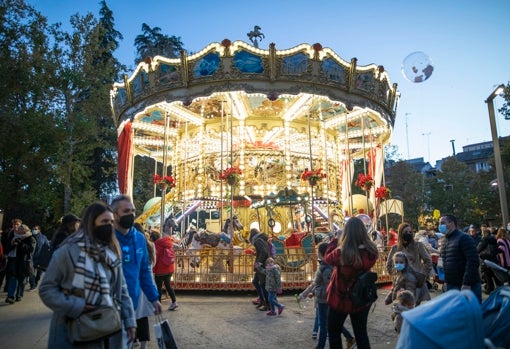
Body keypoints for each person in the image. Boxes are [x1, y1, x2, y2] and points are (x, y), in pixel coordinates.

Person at [38, 202, 137, 348]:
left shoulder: (111, 253)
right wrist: (76, 306)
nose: (109, 226)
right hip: (74, 331)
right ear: (91, 223)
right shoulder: (67, 251)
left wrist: (130, 321)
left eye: (111, 222)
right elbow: (46, 289)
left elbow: (122, 291)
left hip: (108, 328)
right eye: (104, 221)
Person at [111, 195, 162, 347]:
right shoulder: (107, 237)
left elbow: (144, 271)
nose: (131, 215)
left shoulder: (139, 238)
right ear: (115, 214)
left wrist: (154, 298)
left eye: (133, 211)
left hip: (131, 304)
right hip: (108, 307)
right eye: (126, 211)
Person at [324, 216, 379, 349]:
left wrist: (336, 239)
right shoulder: (370, 252)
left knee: (334, 332)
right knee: (361, 334)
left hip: (340, 297)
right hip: (361, 297)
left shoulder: (341, 253)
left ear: (346, 232)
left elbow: (327, 258)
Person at [299, 242, 355, 349]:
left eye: (318, 252)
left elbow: (323, 285)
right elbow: (319, 284)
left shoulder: (326, 268)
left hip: (324, 300)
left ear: (321, 253)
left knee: (324, 324)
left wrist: (306, 294)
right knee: (330, 322)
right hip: (324, 298)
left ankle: (321, 345)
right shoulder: (326, 266)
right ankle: (349, 337)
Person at [439, 214, 482, 303]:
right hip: (451, 285)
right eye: (439, 223)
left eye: (442, 223)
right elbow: (445, 262)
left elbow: (473, 261)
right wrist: (446, 281)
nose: (440, 226)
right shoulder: (444, 241)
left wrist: (466, 283)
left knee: (471, 314)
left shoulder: (464, 238)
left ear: (451, 223)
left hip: (467, 286)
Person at [386, 222, 431, 305]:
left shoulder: (418, 245)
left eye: (410, 232)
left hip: (416, 283)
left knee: (414, 307)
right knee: (400, 308)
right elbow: (389, 265)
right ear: (400, 233)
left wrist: (423, 274)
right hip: (401, 284)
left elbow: (428, 261)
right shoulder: (395, 248)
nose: (409, 234)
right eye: (406, 232)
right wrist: (395, 276)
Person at [4, 223, 36, 304]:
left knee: (21, 280)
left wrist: (21, 244)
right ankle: (11, 296)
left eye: (21, 228)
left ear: (25, 230)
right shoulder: (14, 237)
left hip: (23, 263)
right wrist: (13, 244)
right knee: (13, 278)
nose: (19, 229)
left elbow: (30, 250)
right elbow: (8, 248)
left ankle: (18, 295)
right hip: (13, 261)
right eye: (19, 228)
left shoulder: (31, 238)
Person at [152, 230, 178, 311]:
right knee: (168, 285)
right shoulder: (168, 242)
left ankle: (158, 306)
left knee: (158, 288)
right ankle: (174, 302)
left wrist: (153, 269)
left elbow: (156, 259)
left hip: (160, 270)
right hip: (169, 268)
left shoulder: (157, 245)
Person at [249, 228, 270, 311]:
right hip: (260, 264)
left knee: (262, 284)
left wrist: (259, 262)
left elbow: (264, 252)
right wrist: (255, 253)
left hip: (262, 265)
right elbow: (263, 251)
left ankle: (267, 303)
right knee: (255, 282)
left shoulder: (258, 240)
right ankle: (262, 300)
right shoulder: (260, 239)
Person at [1, 218, 22, 292]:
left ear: (20, 225)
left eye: (17, 224)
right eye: (14, 224)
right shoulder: (9, 233)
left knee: (12, 275)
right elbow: (6, 244)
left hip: (17, 258)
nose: (15, 226)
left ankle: (9, 290)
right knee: (4, 273)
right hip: (8, 256)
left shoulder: (23, 234)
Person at [477, 227, 500, 294]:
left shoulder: (484, 240)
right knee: (495, 275)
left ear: (483, 233)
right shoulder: (494, 239)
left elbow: (478, 249)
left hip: (486, 260)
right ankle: (499, 288)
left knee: (487, 276)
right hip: (494, 260)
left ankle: (489, 289)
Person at [28, 225, 50, 290]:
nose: (34, 230)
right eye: (33, 229)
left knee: (39, 273)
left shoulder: (43, 237)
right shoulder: (30, 237)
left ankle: (36, 281)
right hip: (31, 257)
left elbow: (47, 246)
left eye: (35, 229)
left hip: (40, 257)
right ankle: (32, 284)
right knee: (31, 272)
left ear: (39, 230)